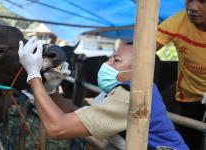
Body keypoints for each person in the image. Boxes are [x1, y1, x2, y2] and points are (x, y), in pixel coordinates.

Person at [18, 37, 188, 150]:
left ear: (140, 72)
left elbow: (57, 128)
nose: (107, 64)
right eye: (110, 57)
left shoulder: (132, 95)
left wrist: (34, 76)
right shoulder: (119, 91)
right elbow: (75, 114)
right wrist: (51, 90)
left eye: (116, 60)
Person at [156, 0, 206, 149]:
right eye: (189, 0)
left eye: (202, 1)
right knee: (190, 143)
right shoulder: (179, 20)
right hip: (188, 98)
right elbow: (144, 48)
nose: (192, 7)